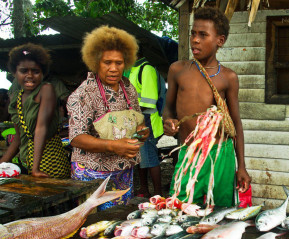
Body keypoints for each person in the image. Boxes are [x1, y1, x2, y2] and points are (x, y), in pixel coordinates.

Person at [163, 7, 251, 207]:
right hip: (189, 151)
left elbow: (236, 123)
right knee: (180, 206)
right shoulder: (178, 70)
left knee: (219, 210)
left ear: (219, 40)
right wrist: (168, 121)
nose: (195, 40)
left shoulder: (227, 77)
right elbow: (168, 108)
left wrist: (242, 167)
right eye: (193, 33)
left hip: (221, 154)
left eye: (203, 35)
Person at [67, 26, 149, 210]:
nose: (113, 68)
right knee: (93, 226)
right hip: (92, 175)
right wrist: (113, 145)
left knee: (119, 223)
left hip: (123, 172)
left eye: (119, 63)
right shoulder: (83, 94)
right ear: (95, 62)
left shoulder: (128, 89)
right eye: (107, 62)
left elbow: (139, 123)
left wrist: (141, 132)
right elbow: (76, 138)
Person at [0, 43, 70, 178]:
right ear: (15, 73)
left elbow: (41, 128)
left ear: (43, 73)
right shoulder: (16, 99)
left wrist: (36, 168)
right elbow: (18, 139)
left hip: (50, 163)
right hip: (28, 162)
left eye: (35, 71)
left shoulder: (46, 90)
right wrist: (2, 163)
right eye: (24, 71)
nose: (30, 75)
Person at [126, 56, 165, 197]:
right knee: (140, 156)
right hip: (136, 119)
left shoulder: (146, 69)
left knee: (150, 157)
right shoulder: (132, 70)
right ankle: (144, 189)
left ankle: (158, 193)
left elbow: (149, 101)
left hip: (147, 120)